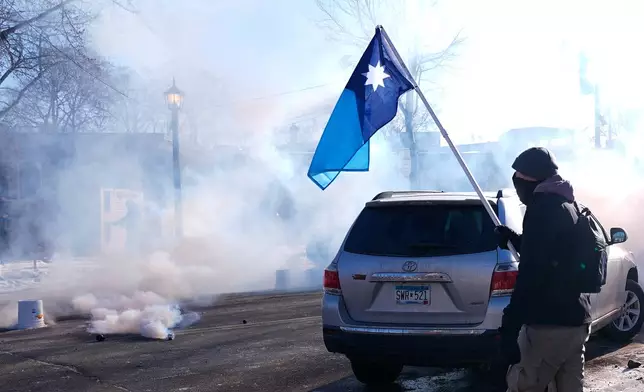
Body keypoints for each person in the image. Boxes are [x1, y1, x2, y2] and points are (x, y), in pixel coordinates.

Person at [495, 147, 592, 392]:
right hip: (576, 320)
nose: (516, 183)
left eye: (519, 176)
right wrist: (516, 239)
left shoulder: (541, 209)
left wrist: (510, 323)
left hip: (548, 325)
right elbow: (553, 253)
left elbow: (532, 273)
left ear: (532, 178)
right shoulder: (567, 203)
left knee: (523, 386)